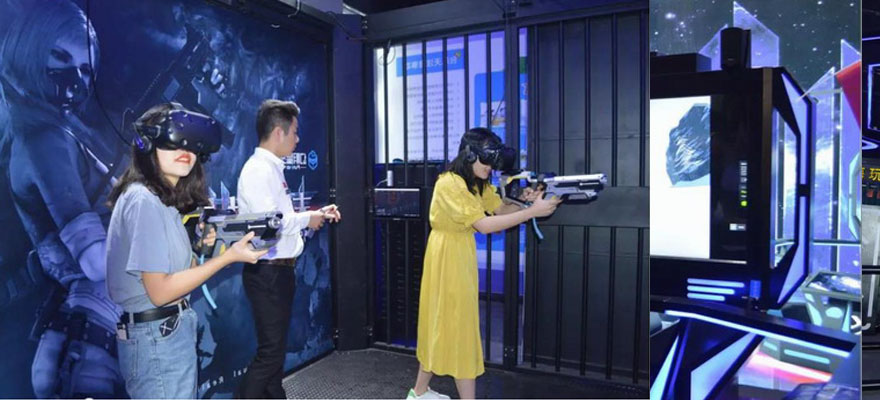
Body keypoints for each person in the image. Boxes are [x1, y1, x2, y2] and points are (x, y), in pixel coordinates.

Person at [0, 0, 127, 396]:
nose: (75, 77)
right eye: (60, 56)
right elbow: (94, 261)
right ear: (30, 49)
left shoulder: (52, 129)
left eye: (86, 68)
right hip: (90, 334)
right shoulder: (45, 138)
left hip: (89, 327)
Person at [105, 103, 267, 399]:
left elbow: (180, 274)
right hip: (157, 336)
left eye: (193, 143)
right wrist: (228, 258)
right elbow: (161, 292)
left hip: (164, 332)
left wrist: (203, 249)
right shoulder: (143, 201)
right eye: (174, 140)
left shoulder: (158, 201)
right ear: (147, 143)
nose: (186, 150)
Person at [408, 127, 561, 400]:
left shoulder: (476, 182)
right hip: (447, 257)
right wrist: (531, 213)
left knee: (443, 323)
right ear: (469, 156)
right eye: (486, 161)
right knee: (458, 327)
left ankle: (418, 392)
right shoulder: (449, 183)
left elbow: (500, 208)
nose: (490, 167)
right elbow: (484, 225)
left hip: (457, 254)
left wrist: (524, 202)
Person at [236, 99, 341, 399]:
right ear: (278, 132)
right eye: (294, 132)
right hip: (267, 273)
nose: (297, 139)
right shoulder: (258, 171)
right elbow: (273, 223)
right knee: (270, 354)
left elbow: (280, 221)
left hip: (276, 273)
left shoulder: (270, 169)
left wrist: (313, 216)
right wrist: (309, 218)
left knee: (274, 353)